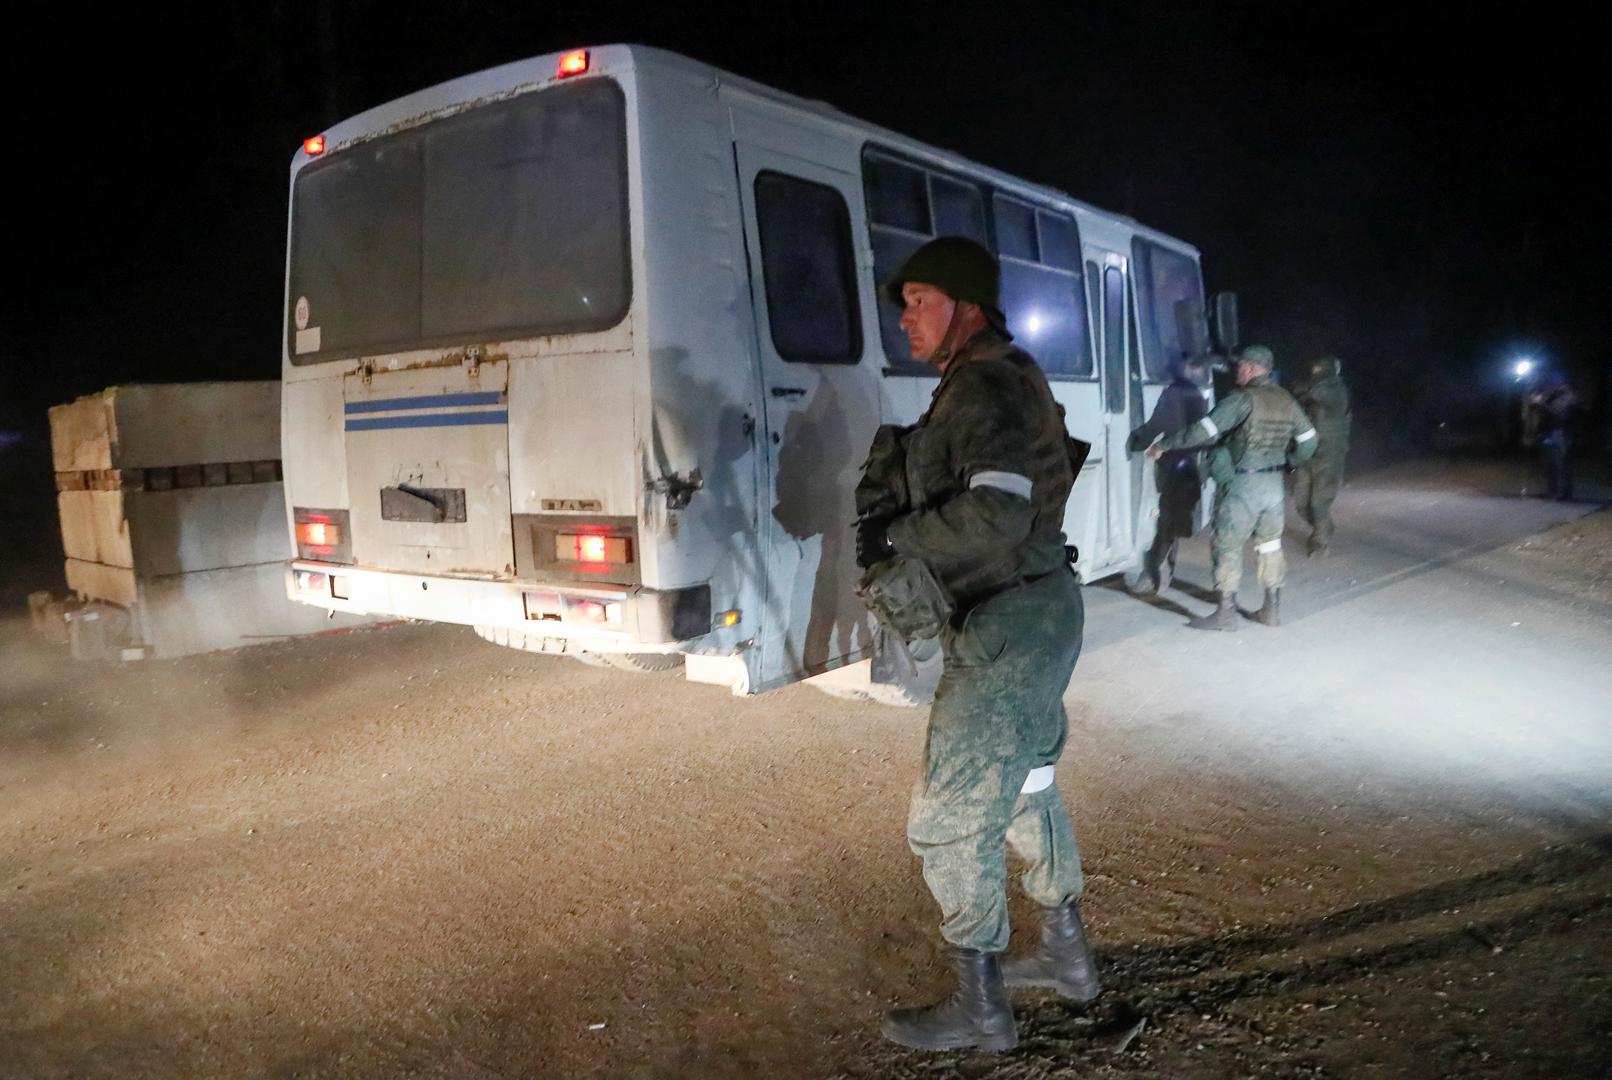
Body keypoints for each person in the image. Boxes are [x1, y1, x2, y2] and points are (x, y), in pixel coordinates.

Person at [855, 237, 1097, 1053]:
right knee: (1028, 784)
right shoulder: (1008, 373)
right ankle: (1066, 959)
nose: (906, 318)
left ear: (965, 306)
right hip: (1041, 608)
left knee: (950, 817)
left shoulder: (982, 385)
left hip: (1006, 622)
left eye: (920, 301)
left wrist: (896, 538)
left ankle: (981, 1009)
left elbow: (997, 510)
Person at [1147, 344, 1316, 629]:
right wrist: (1290, 461)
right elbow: (1310, 441)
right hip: (1273, 486)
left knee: (1227, 544)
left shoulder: (1241, 400)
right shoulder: (1286, 400)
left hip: (1243, 484)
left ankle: (1225, 614)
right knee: (1270, 545)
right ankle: (1271, 610)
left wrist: (1164, 445)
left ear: (1250, 368)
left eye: (1240, 366)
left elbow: (1203, 431)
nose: (1236, 370)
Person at [1127, 355, 1210, 592]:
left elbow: (1157, 424)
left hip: (1173, 462)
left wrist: (1136, 442)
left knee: (1166, 518)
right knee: (1175, 517)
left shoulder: (1173, 393)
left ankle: (1155, 572)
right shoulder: (1196, 393)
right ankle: (1165, 568)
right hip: (1190, 463)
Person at [1292, 355, 1352, 555]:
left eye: (1318, 370)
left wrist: (1303, 388)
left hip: (1329, 456)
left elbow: (1316, 393)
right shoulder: (1313, 391)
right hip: (1307, 454)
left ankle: (1320, 541)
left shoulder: (1337, 391)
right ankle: (1324, 526)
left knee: (1319, 502)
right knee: (1301, 502)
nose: (1315, 373)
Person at [1535, 373, 1578, 500]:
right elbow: (1547, 412)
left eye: (1553, 382)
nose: (1550, 384)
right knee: (1551, 463)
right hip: (1550, 432)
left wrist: (1540, 402)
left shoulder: (1568, 395)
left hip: (1560, 432)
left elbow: (1556, 411)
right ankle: (1552, 491)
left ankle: (1563, 493)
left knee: (1561, 463)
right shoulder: (1553, 394)